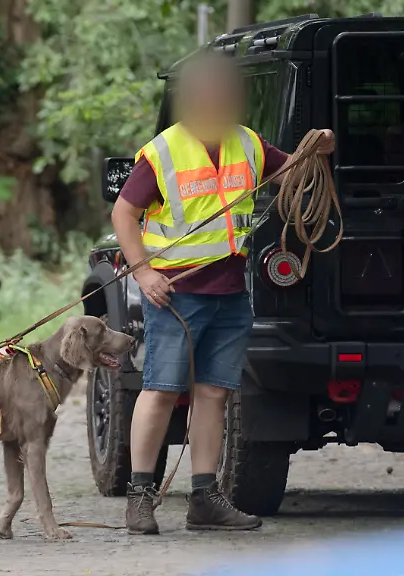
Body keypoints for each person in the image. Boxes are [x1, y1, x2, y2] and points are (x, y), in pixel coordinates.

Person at [110, 52, 334, 535]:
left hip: (231, 293)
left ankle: (204, 500)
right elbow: (124, 214)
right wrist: (144, 273)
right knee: (161, 391)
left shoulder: (248, 144)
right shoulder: (164, 151)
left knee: (212, 394)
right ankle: (140, 497)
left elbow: (292, 172)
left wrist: (318, 148)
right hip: (175, 292)